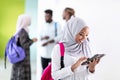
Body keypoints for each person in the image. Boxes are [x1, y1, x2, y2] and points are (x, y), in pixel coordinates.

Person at [11, 14, 37, 80]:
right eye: (28, 19)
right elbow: (24, 45)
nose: (30, 21)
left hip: (19, 57)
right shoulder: (23, 31)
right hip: (23, 58)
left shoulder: (20, 30)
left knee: (18, 74)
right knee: (21, 75)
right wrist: (32, 41)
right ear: (25, 21)